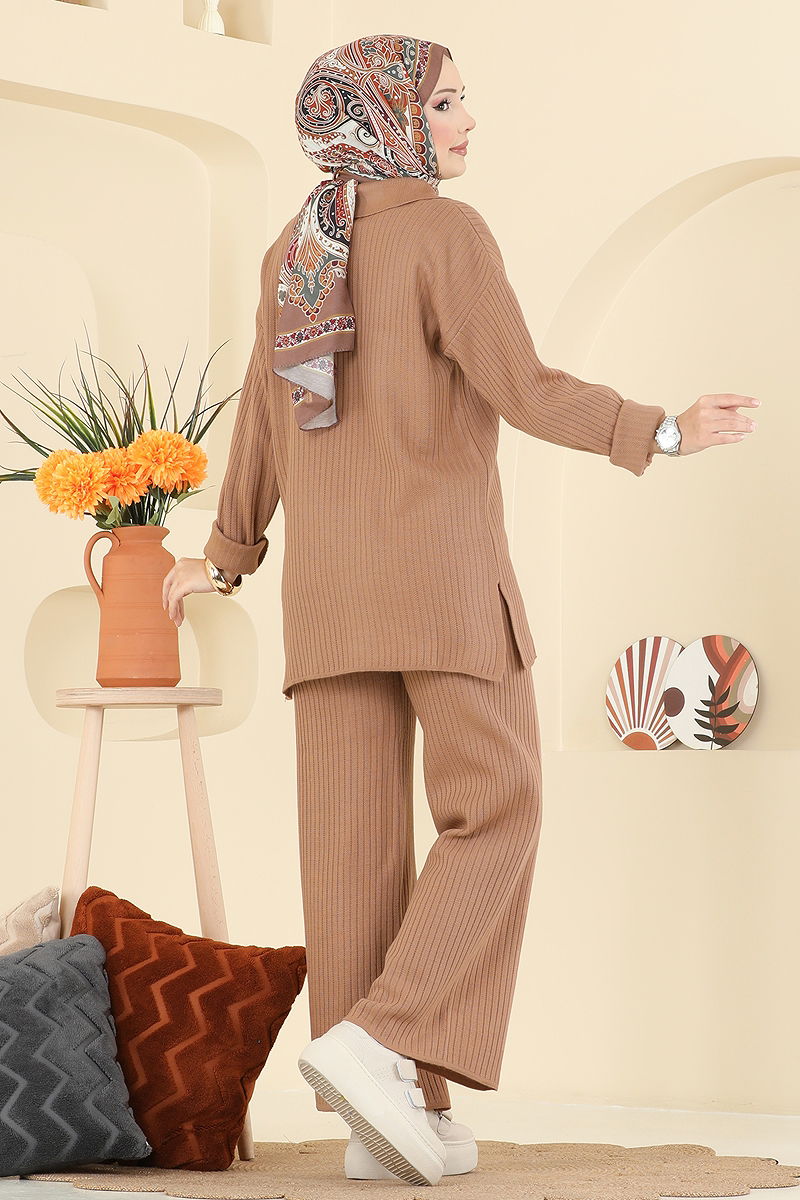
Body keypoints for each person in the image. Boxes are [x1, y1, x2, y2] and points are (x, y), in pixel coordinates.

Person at [162, 33, 761, 1188]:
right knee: (499, 803)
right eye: (443, 103)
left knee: (349, 857)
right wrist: (659, 428)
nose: (466, 121)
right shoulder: (444, 233)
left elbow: (260, 418)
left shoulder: (296, 250)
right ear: (387, 119)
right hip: (439, 581)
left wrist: (224, 557)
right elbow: (520, 386)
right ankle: (384, 1040)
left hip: (327, 599)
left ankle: (385, 1118)